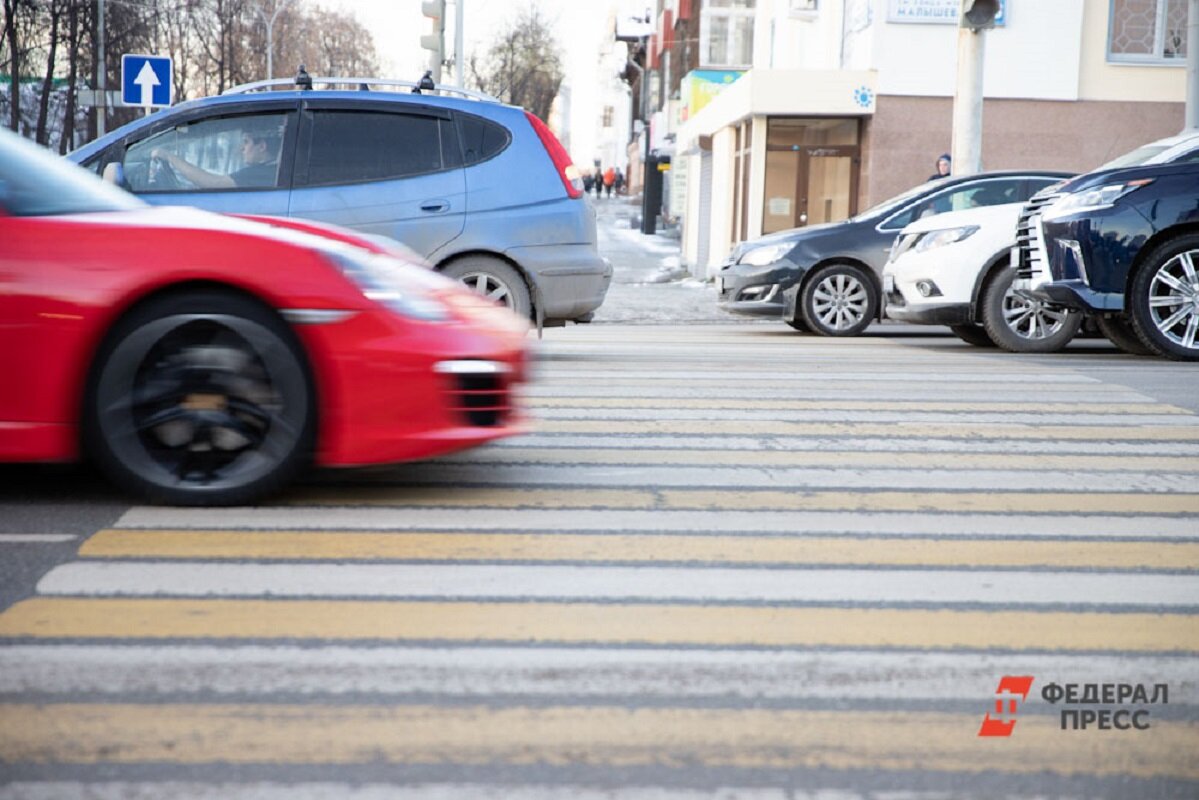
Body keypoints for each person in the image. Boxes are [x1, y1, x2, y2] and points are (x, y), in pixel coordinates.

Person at [152, 128, 280, 189]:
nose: (242, 148)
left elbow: (212, 183)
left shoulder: (260, 174)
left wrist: (170, 157)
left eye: (246, 142)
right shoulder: (274, 170)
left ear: (262, 146)